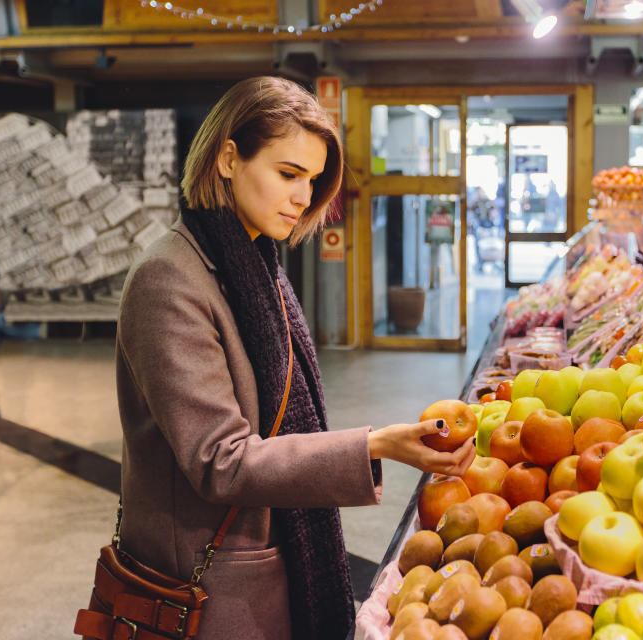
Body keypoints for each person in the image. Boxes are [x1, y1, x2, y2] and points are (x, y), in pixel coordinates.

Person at [112, 76, 475, 640]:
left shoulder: (256, 265)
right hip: (203, 585)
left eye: (312, 179)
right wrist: (375, 445)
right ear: (229, 157)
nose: (304, 197)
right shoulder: (171, 280)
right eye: (288, 174)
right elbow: (221, 460)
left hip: (262, 563)